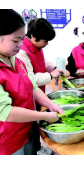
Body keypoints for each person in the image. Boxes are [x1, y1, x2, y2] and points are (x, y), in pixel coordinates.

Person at [0, 9, 64, 155]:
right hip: (8, 140)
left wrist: (51, 104)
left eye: (22, 39)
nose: (21, 44)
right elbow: (5, 111)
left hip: (26, 130)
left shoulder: (16, 61)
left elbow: (33, 87)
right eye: (16, 40)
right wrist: (44, 116)